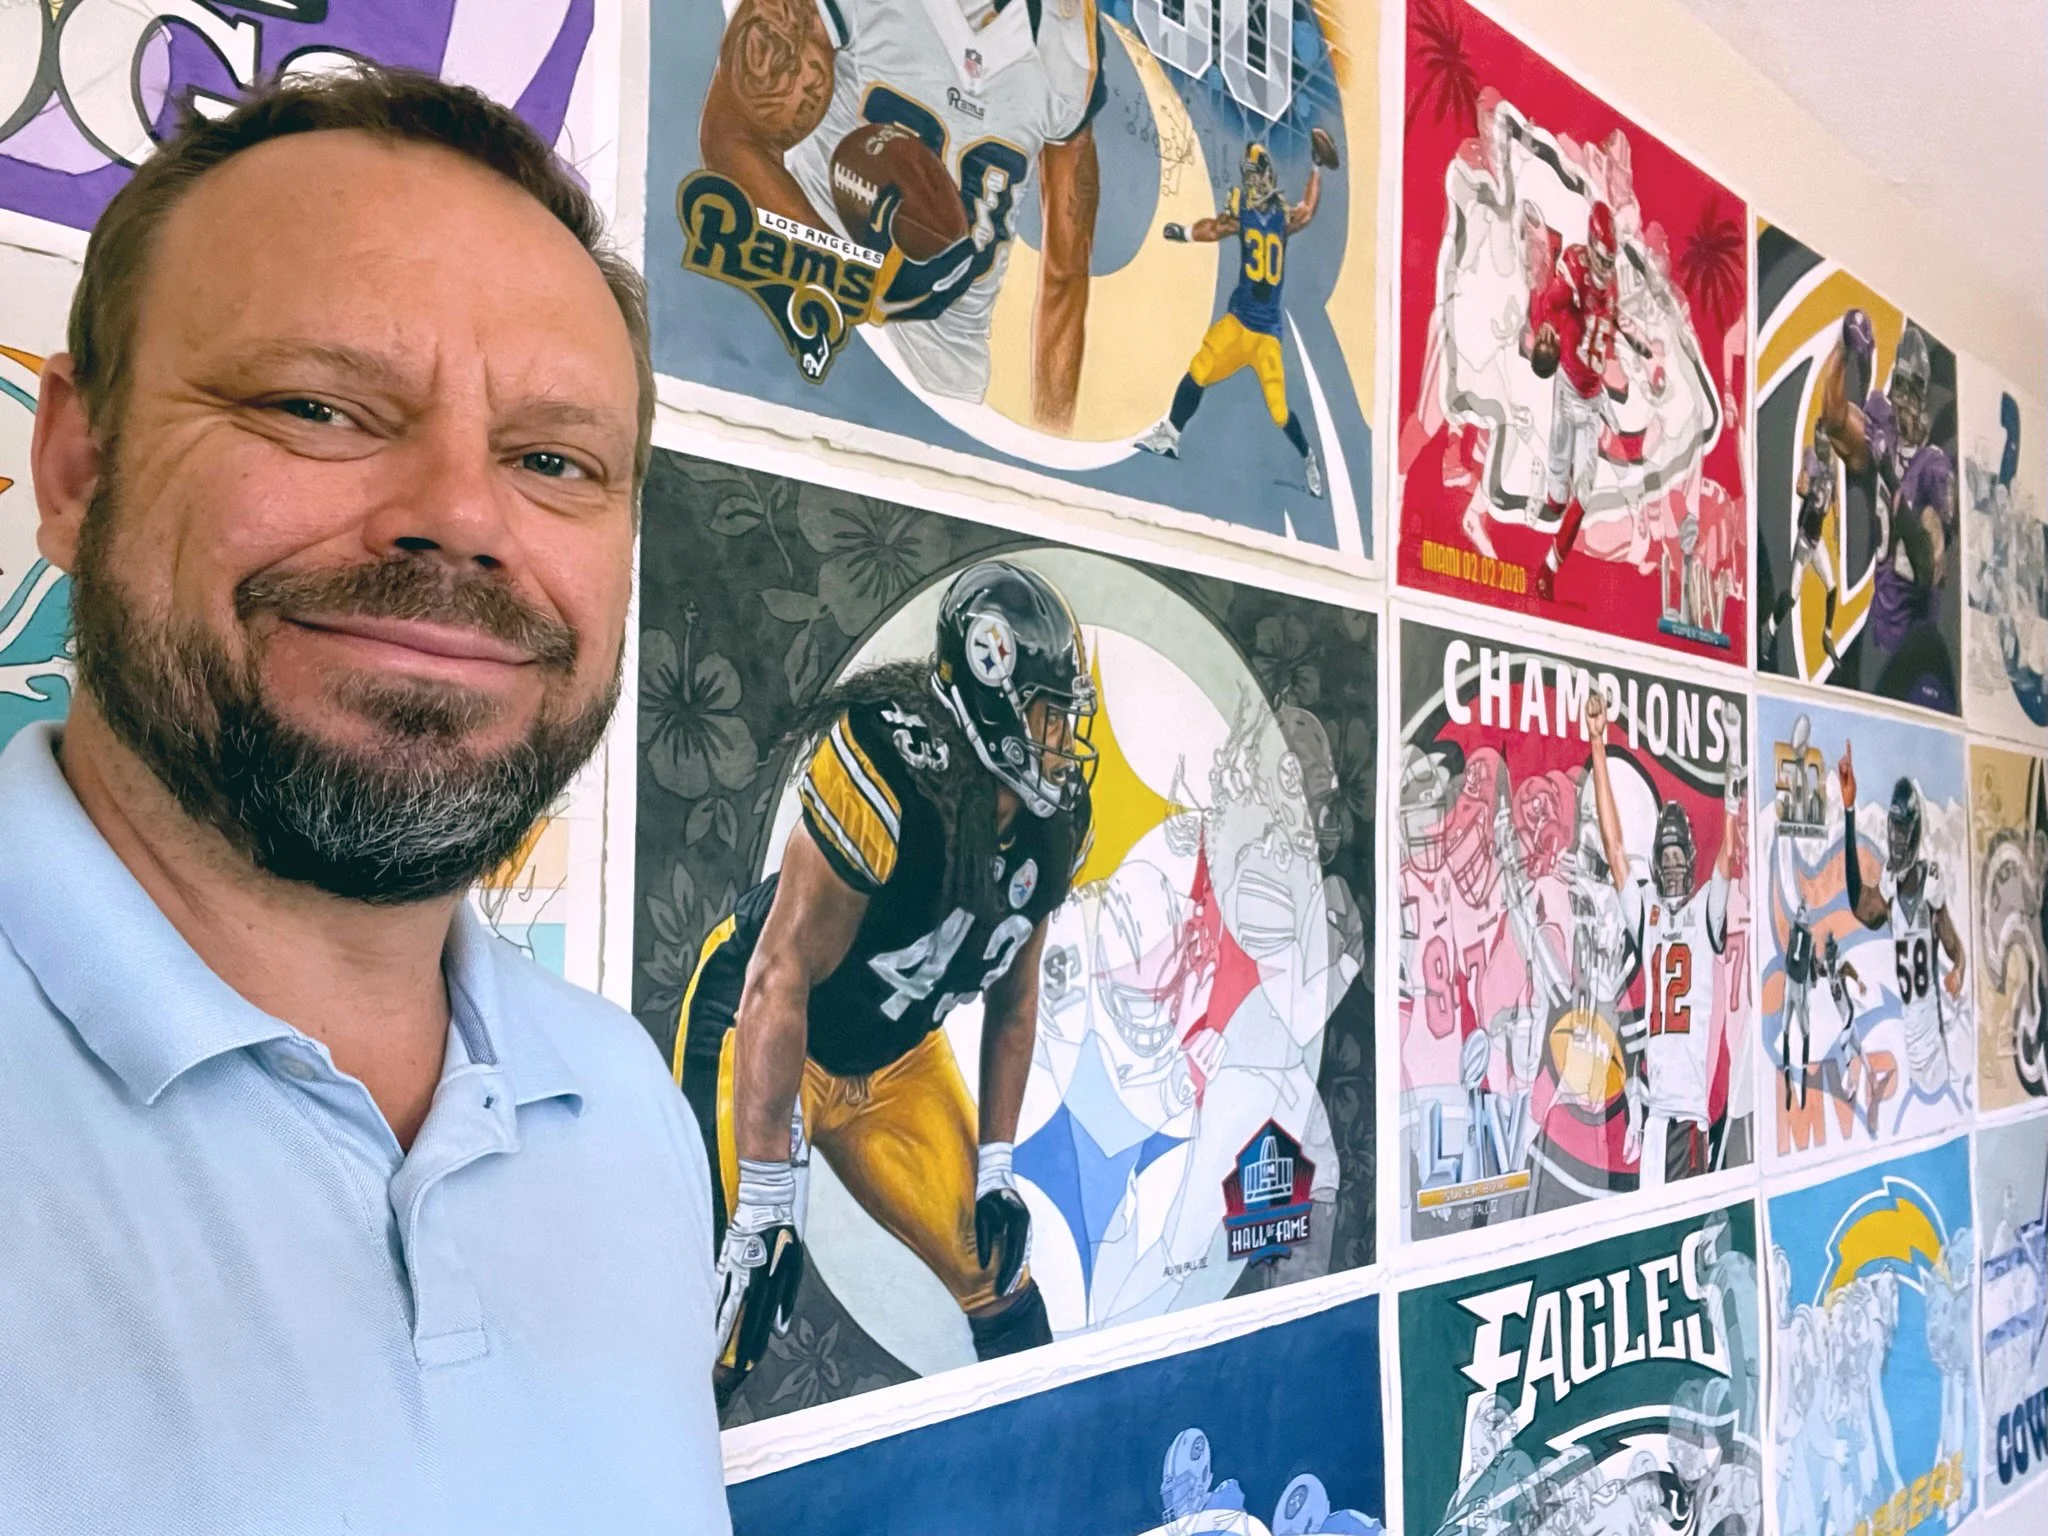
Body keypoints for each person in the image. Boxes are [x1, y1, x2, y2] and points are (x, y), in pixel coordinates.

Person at [1, 68, 728, 1533]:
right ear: (77, 467)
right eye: (320, 405)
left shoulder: (627, 1108)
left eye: (551, 460)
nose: (462, 513)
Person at [674, 559, 1096, 1405]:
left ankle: (1055, 1480)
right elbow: (781, 974)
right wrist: (763, 1196)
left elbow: (1015, 1002)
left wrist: (998, 1167)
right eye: (1048, 717)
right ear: (993, 695)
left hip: (897, 1060)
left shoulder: (1053, 826)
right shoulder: (893, 767)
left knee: (998, 1274)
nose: (1062, 742)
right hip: (766, 1032)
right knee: (726, 1306)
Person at [699, 0, 1103, 425]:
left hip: (946, 393)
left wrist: (1048, 433)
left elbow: (1067, 272)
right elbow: (733, 135)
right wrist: (851, 278)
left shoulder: (1068, 30)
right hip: (814, 343)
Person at [1584, 689, 1742, 1186]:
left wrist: (1732, 772)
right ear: (1656, 861)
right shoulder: (1648, 912)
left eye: (1679, 857)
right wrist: (1597, 745)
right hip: (1655, 1118)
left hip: (1689, 1118)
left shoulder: (1704, 910)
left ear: (1689, 862)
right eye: (1666, 856)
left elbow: (1726, 855)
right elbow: (1613, 848)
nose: (1672, 865)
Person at [1135, 135, 1341, 499]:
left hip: (1266, 334)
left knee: (1279, 410)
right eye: (1248, 173)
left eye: (1256, 172)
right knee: (1200, 367)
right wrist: (1184, 232)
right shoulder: (1243, 212)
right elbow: (1214, 228)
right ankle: (1170, 436)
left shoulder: (1280, 216)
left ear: (1267, 173)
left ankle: (1308, 457)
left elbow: (1307, 210)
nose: (1252, 180)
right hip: (1238, 321)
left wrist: (1316, 167)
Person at [1839, 744, 1967, 1108]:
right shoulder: (1890, 886)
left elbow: (1952, 941)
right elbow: (1858, 904)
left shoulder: (1930, 883)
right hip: (1907, 1037)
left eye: (1901, 829)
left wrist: (1958, 968)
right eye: (1892, 828)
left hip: (1932, 1037)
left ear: (1913, 833)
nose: (1895, 838)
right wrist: (1849, 811)